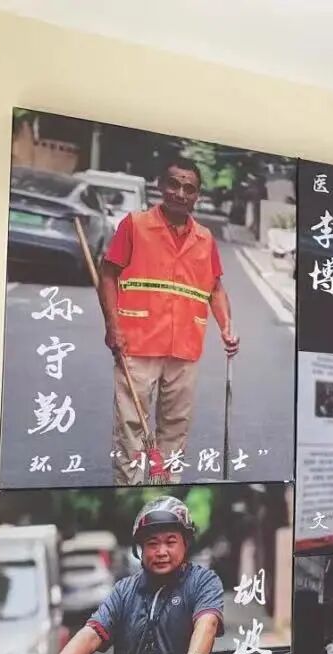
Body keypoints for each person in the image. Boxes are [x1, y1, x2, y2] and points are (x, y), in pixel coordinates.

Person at [97, 157, 240, 485]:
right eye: (174, 184)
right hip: (136, 344)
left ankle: (164, 489)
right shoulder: (135, 225)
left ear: (197, 195)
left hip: (185, 349)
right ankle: (130, 490)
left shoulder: (205, 238)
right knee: (132, 428)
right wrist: (112, 327)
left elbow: (215, 288)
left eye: (189, 188)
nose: (180, 193)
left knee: (175, 428)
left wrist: (227, 326)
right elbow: (108, 274)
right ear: (161, 185)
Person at [26, 497, 224, 654]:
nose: (161, 552)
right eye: (152, 544)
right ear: (140, 548)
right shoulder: (124, 590)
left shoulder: (203, 581)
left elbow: (207, 623)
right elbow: (91, 634)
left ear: (186, 543)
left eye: (170, 542)